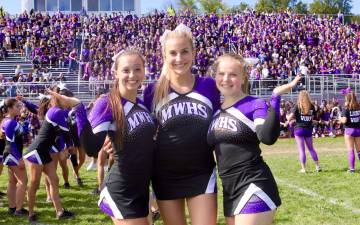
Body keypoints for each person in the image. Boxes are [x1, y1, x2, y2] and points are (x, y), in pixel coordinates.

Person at [50, 48, 156, 225]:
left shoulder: (143, 105)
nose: (132, 75)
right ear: (115, 73)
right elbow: (91, 147)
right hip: (122, 191)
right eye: (126, 70)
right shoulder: (107, 102)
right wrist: (78, 108)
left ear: (144, 71)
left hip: (142, 189)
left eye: (138, 69)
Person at [207, 53, 301, 225]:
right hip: (229, 189)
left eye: (233, 74)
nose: (226, 79)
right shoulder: (214, 112)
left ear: (243, 78)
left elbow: (267, 137)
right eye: (221, 74)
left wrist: (275, 98)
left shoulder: (254, 104)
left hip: (253, 184)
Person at [143, 24, 219, 225]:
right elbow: (140, 127)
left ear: (193, 53)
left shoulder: (209, 86)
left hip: (202, 173)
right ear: (164, 56)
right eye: (173, 53)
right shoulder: (152, 91)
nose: (179, 58)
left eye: (184, 51)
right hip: (165, 174)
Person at [23, 95, 75, 222]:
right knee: (34, 184)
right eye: (66, 99)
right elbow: (66, 132)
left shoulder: (57, 111)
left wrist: (68, 147)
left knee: (54, 180)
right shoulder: (57, 111)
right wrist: (69, 147)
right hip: (36, 151)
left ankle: (60, 212)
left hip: (44, 151)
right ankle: (31, 215)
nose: (69, 101)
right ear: (61, 100)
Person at [1, 98, 28, 216]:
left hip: (9, 155)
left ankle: (12, 207)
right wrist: (19, 159)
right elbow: (11, 143)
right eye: (17, 106)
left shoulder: (6, 120)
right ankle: (18, 210)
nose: (19, 108)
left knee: (12, 181)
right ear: (10, 108)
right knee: (23, 181)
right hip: (13, 155)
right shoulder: (10, 122)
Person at [288, 90, 321, 173]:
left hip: (299, 129)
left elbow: (289, 118)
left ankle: (303, 169)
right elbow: (311, 119)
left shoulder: (297, 106)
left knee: (301, 150)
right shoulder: (312, 107)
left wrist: (289, 117)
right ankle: (317, 166)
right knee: (311, 149)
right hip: (308, 130)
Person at [340, 90, 360, 173]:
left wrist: (339, 118)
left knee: (350, 150)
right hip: (358, 130)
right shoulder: (359, 107)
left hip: (349, 131)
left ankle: (352, 169)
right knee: (359, 151)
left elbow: (344, 120)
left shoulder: (346, 108)